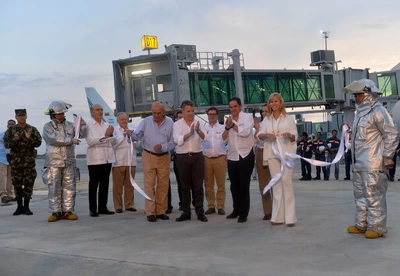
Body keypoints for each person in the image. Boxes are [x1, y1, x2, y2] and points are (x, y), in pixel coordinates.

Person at [343, 79, 398, 239]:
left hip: (373, 163)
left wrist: (388, 156)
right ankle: (362, 224)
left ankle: (377, 226)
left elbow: (392, 134)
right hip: (359, 164)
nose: (356, 98)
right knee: (360, 195)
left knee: (374, 195)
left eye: (358, 95)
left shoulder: (378, 111)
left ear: (368, 94)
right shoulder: (359, 114)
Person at [42, 101, 86, 222]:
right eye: (59, 114)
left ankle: (68, 210)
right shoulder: (47, 127)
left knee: (70, 186)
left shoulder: (71, 125)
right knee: (54, 187)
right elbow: (53, 139)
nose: (61, 116)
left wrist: (81, 124)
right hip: (54, 161)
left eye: (62, 113)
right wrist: (70, 140)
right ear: (52, 115)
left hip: (69, 160)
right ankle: (55, 211)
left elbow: (82, 134)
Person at [258, 93, 297, 227]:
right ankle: (277, 217)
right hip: (272, 155)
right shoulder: (266, 120)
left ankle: (290, 218)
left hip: (286, 155)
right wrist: (267, 135)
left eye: (276, 101)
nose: (273, 104)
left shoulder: (289, 119)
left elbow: (294, 137)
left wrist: (289, 135)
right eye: (271, 101)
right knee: (276, 184)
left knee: (286, 183)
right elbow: (259, 135)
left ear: (281, 102)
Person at [133, 101, 175, 222]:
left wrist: (162, 147)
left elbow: (173, 142)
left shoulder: (170, 123)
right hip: (149, 156)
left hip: (163, 157)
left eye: (158, 113)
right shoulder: (145, 122)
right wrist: (132, 136)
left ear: (164, 112)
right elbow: (137, 136)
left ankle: (161, 211)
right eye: (154, 113)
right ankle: (150, 211)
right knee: (149, 185)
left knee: (163, 185)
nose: (156, 115)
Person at [174, 100, 208, 222]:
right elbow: (177, 139)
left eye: (192, 111)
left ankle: (200, 212)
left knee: (198, 186)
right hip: (182, 157)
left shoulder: (199, 123)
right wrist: (190, 133)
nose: (191, 113)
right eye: (188, 111)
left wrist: (198, 131)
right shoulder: (177, 125)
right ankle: (186, 212)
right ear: (182, 111)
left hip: (197, 156)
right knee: (184, 187)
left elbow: (206, 138)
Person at [4, 109, 42, 216]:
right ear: (16, 117)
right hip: (16, 163)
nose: (21, 118)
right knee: (17, 185)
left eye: (23, 116)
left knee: (29, 184)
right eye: (19, 116)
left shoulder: (32, 129)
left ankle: (27, 207)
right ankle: (19, 207)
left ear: (26, 117)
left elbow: (38, 142)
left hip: (28, 163)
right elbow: (6, 144)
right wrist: (14, 140)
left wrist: (29, 139)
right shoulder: (11, 131)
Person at [222, 97, 254, 223]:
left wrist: (233, 125)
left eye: (235, 106)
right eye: (231, 107)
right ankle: (236, 209)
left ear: (240, 106)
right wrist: (226, 127)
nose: (233, 109)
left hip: (245, 155)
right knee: (233, 186)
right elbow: (223, 139)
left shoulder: (247, 117)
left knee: (244, 185)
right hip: (232, 156)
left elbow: (245, 132)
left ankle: (243, 213)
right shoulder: (228, 120)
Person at [85, 104, 115, 217]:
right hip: (95, 160)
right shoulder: (88, 125)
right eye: (97, 110)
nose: (100, 111)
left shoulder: (107, 125)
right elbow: (91, 141)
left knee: (104, 185)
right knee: (93, 185)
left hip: (107, 159)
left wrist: (111, 135)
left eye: (101, 109)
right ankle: (93, 209)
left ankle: (103, 207)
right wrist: (106, 136)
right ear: (92, 112)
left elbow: (113, 142)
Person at [202, 107, 227, 216]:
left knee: (221, 184)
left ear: (217, 115)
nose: (211, 116)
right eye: (210, 114)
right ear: (207, 115)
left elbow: (227, 141)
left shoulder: (223, 128)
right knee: (208, 184)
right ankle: (211, 205)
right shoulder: (203, 128)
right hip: (207, 159)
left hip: (220, 158)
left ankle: (220, 206)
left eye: (213, 114)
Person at [112, 112, 137, 214]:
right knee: (117, 186)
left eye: (125, 119)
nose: (124, 121)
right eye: (122, 119)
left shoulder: (132, 129)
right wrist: (124, 135)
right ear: (118, 121)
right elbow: (114, 144)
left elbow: (137, 144)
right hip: (119, 161)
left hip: (131, 161)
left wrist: (133, 137)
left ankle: (129, 205)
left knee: (130, 185)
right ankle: (118, 206)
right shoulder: (114, 130)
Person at [254, 104, 272, 221]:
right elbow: (256, 139)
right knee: (263, 184)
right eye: (262, 112)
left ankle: (278, 209)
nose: (264, 113)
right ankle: (267, 211)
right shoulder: (258, 125)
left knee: (275, 181)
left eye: (266, 111)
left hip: (271, 153)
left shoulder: (274, 124)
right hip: (260, 153)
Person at [0, 119, 16, 204]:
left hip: (12, 159)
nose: (10, 125)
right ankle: (3, 195)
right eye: (9, 124)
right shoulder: (2, 134)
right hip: (2, 158)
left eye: (12, 124)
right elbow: (4, 140)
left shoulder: (17, 135)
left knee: (11, 177)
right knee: (3, 177)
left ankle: (10, 194)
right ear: (7, 126)